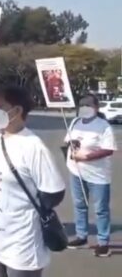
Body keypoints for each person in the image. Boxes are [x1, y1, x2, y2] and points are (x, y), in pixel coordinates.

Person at [0, 86, 65, 276]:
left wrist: (21, 208)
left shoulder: (33, 147)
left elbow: (54, 193)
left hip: (21, 245)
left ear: (17, 111)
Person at [65, 94, 117, 257]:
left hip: (98, 175)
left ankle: (103, 242)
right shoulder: (75, 122)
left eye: (89, 105)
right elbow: (68, 140)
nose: (85, 108)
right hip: (76, 171)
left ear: (96, 107)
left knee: (101, 209)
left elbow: (108, 149)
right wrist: (71, 147)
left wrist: (86, 157)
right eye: (82, 105)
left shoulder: (103, 126)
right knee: (80, 205)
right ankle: (82, 236)